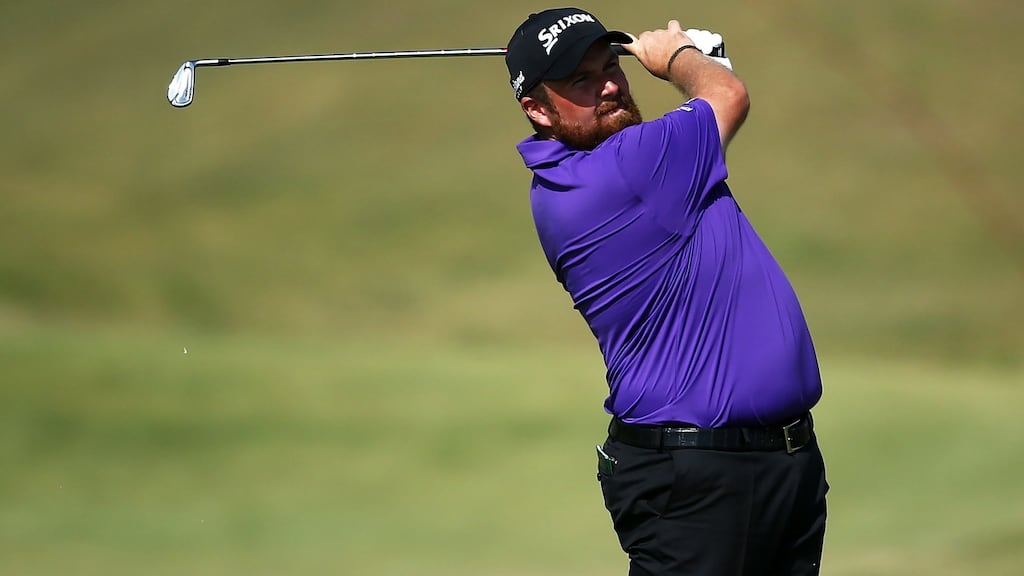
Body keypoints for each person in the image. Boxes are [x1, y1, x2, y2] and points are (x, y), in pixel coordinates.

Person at [504, 7, 829, 576]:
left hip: (776, 465)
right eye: (580, 80)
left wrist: (704, 65)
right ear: (537, 109)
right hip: (696, 481)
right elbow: (726, 97)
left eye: (611, 66)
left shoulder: (627, 166)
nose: (608, 84)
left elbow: (707, 111)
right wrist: (680, 57)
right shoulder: (628, 168)